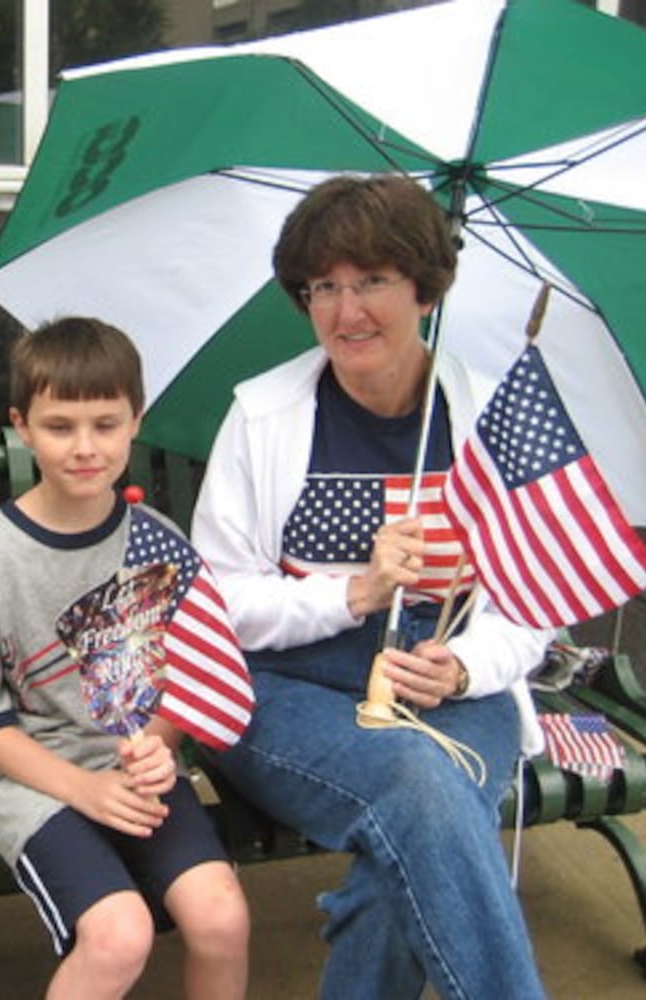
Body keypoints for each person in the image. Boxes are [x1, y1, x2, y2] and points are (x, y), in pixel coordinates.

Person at [192, 174, 553, 999]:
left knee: (405, 857)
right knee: (418, 786)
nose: (345, 312)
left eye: (371, 282)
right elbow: (215, 602)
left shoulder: (489, 419)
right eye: (324, 287)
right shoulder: (262, 415)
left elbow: (531, 606)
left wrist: (462, 667)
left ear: (425, 288)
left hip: (450, 684)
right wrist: (352, 595)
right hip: (283, 684)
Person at [0, 317, 250, 1000]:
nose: (85, 448)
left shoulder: (155, 542)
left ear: (136, 420)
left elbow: (184, 674)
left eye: (105, 424)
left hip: (132, 768)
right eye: (60, 426)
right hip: (33, 775)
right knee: (118, 934)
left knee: (221, 916)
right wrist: (83, 789)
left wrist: (161, 745)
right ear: (22, 426)